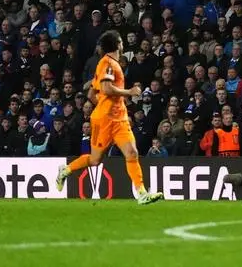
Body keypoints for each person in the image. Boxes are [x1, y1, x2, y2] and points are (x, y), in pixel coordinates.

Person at [55, 31, 164, 205]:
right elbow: (105, 89)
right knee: (95, 160)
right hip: (104, 121)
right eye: (121, 42)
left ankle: (141, 193)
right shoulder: (107, 63)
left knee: (132, 152)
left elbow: (92, 93)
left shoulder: (110, 63)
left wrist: (108, 105)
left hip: (119, 119)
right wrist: (128, 92)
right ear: (119, 44)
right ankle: (66, 170)